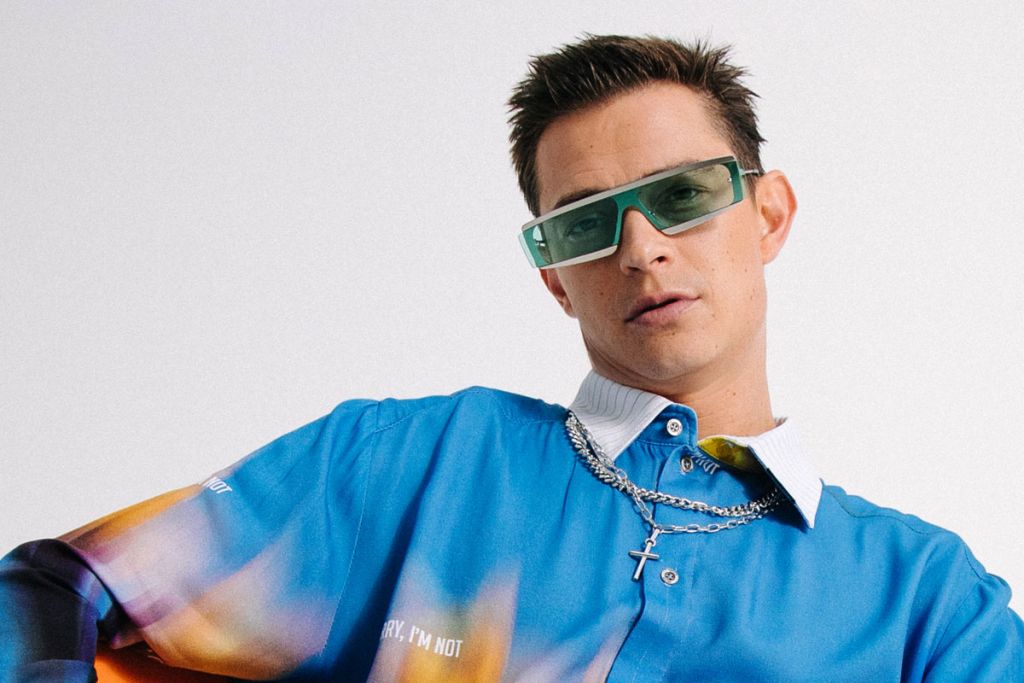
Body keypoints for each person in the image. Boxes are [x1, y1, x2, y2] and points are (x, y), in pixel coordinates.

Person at [1, 34, 1021, 682]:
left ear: (769, 214)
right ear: (553, 277)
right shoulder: (410, 462)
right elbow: (53, 588)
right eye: (585, 222)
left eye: (680, 196)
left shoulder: (926, 601)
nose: (641, 248)